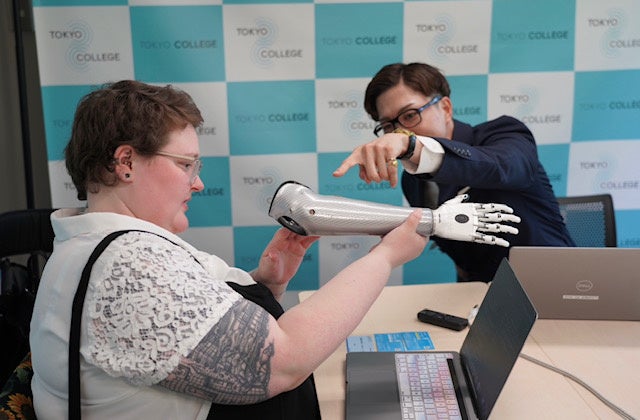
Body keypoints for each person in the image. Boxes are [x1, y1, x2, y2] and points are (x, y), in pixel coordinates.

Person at [29, 80, 429, 419]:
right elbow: (284, 362)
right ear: (126, 162)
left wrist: (266, 284)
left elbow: (200, 338)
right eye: (186, 164)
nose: (197, 183)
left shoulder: (101, 247)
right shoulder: (127, 267)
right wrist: (385, 258)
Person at [333, 62, 575, 282]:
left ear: (446, 108)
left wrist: (413, 146)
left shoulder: (503, 134)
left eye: (410, 115)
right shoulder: (412, 181)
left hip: (554, 283)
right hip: (477, 294)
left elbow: (501, 167)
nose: (399, 132)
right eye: (388, 125)